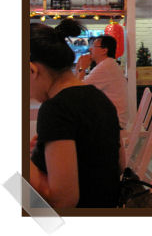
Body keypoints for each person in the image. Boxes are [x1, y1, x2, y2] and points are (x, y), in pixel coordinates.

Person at [30, 19, 121, 208]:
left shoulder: (55, 109)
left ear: (32, 70)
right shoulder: (100, 98)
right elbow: (120, 164)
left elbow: (62, 201)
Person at [76, 35, 128, 129]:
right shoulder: (108, 64)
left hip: (112, 123)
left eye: (93, 46)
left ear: (104, 50)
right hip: (110, 118)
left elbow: (78, 90)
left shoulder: (106, 66)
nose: (90, 49)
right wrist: (79, 67)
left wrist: (82, 68)